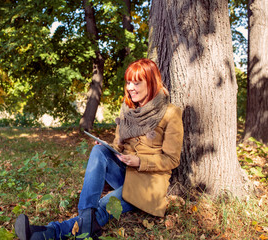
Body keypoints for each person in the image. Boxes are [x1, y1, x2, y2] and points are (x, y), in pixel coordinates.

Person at [14, 58, 184, 240]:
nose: (130, 87)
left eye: (136, 82)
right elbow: (119, 146)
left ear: (150, 83)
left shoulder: (170, 113)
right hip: (125, 172)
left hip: (148, 182)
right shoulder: (127, 108)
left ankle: (47, 232)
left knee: (104, 206)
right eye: (128, 82)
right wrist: (107, 147)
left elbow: (172, 160)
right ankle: (80, 223)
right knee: (98, 151)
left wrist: (140, 161)